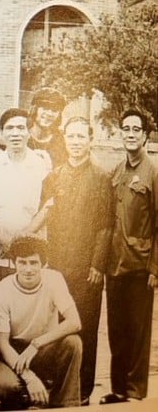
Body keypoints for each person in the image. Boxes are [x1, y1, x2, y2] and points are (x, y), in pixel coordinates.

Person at [33, 116, 112, 405]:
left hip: (86, 268)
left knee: (86, 328)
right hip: (56, 266)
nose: (76, 142)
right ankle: (55, 384)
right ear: (64, 140)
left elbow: (106, 226)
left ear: (90, 140)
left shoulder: (102, 178)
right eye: (71, 137)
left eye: (81, 137)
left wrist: (97, 264)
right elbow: (44, 220)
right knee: (54, 326)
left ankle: (82, 390)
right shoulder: (53, 177)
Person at [101, 108, 157, 404]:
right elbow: (109, 221)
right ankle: (118, 389)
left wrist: (155, 268)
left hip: (140, 265)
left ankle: (135, 393)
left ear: (145, 136)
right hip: (115, 265)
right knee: (116, 331)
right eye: (126, 128)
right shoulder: (116, 171)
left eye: (137, 129)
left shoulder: (154, 172)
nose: (131, 134)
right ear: (120, 133)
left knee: (137, 332)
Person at [0, 235, 82, 410]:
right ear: (14, 263)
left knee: (72, 342)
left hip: (43, 347)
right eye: (22, 262)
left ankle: (65, 405)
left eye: (34, 262)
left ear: (43, 264)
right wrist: (29, 377)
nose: (28, 269)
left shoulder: (54, 279)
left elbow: (74, 322)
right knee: (4, 386)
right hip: (12, 351)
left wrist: (36, 344)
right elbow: (2, 343)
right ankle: (25, 401)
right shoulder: (1, 290)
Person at [0, 108, 51, 289]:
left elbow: (48, 206)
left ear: (29, 132)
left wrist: (21, 239)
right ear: (2, 132)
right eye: (9, 128)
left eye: (21, 127)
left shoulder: (41, 164)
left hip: (30, 250)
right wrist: (1, 239)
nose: (16, 133)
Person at [27, 87, 68, 169]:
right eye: (45, 108)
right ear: (34, 109)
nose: (49, 114)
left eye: (54, 110)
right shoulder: (21, 134)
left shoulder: (62, 141)